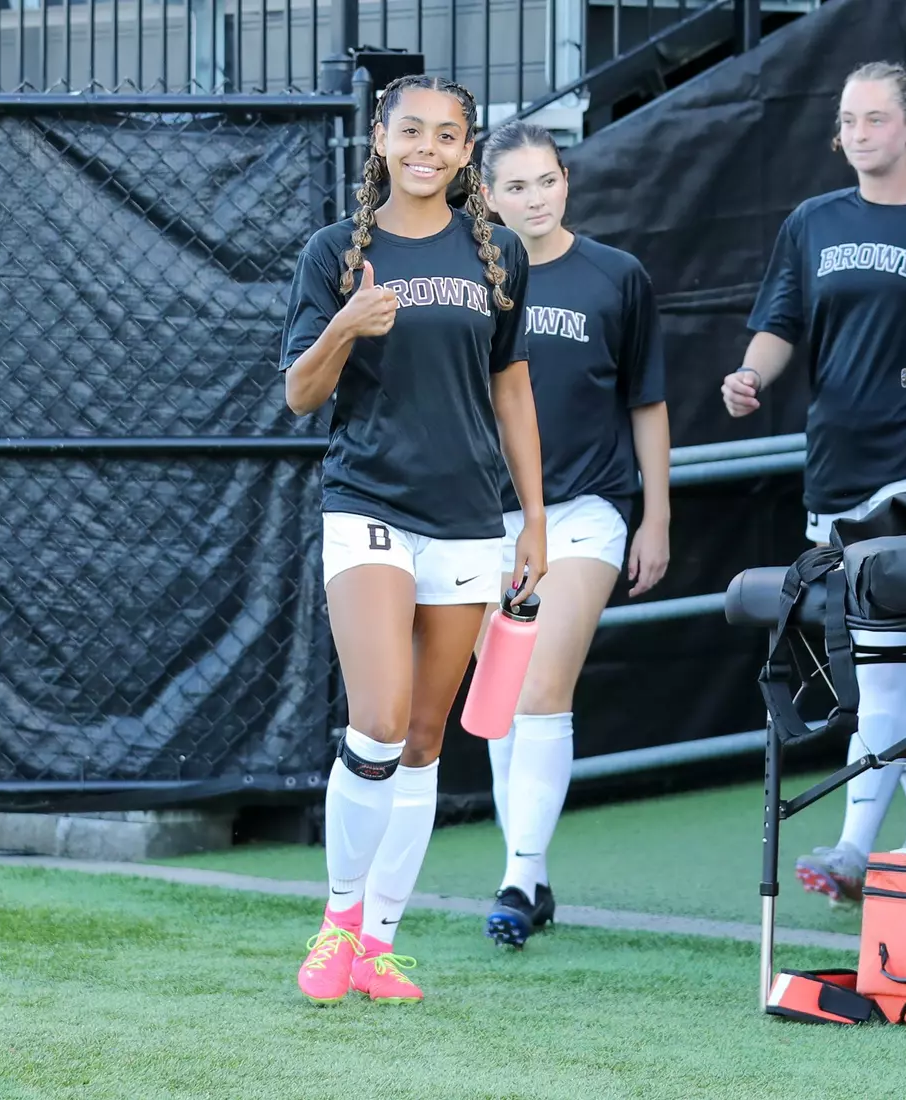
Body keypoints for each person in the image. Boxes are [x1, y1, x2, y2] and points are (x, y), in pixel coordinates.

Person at [280, 75, 546, 1004]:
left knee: (428, 739)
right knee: (380, 720)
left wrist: (534, 522)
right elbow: (299, 396)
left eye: (447, 135)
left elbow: (511, 389)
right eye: (411, 131)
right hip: (366, 506)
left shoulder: (500, 253)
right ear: (381, 141)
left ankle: (379, 947)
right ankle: (339, 919)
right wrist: (347, 324)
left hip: (472, 518)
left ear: (466, 151)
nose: (428, 147)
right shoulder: (333, 252)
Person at [722, 61, 906, 904]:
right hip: (835, 465)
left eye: (876, 118)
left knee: (893, 661)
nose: (859, 133)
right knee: (890, 664)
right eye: (847, 119)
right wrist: (748, 376)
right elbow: (780, 323)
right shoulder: (812, 221)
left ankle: (853, 849)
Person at [475, 120, 670, 946]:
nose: (533, 198)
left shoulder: (615, 276)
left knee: (539, 689)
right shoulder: (468, 277)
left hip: (586, 511)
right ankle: (532, 871)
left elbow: (646, 402)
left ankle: (517, 880)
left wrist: (655, 514)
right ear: (485, 196)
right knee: (496, 701)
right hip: (483, 515)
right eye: (514, 186)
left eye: (545, 180)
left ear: (567, 181)